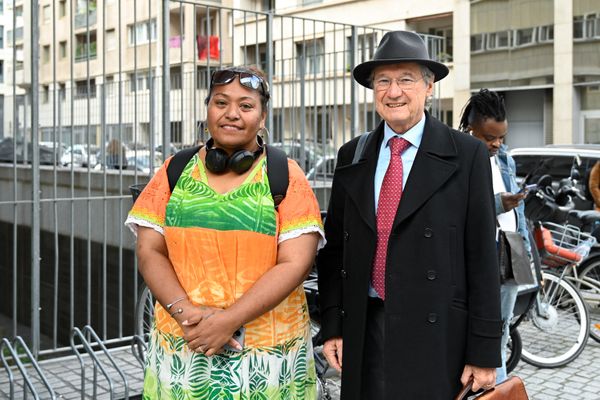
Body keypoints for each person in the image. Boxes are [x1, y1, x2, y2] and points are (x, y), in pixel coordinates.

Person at [316, 31, 502, 400]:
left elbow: (483, 258)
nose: (393, 91)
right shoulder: (353, 154)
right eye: (383, 81)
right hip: (366, 329)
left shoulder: (466, 155)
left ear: (429, 86)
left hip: (436, 336)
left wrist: (483, 353)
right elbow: (335, 250)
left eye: (406, 79)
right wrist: (333, 326)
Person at [125, 66, 325, 398]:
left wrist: (228, 320)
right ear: (207, 110)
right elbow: (150, 251)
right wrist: (188, 316)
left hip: (267, 363)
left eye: (246, 106)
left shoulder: (285, 175)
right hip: (185, 351)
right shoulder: (175, 169)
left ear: (262, 117)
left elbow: (296, 263)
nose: (232, 114)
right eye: (221, 103)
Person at [459, 88, 532, 384]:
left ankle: (495, 388)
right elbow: (460, 212)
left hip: (510, 253)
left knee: (501, 333)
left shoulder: (505, 161)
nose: (497, 144)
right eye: (490, 138)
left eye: (502, 138)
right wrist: (500, 202)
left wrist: (525, 250)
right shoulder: (458, 159)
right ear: (469, 130)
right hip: (480, 257)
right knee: (480, 337)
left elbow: (519, 216)